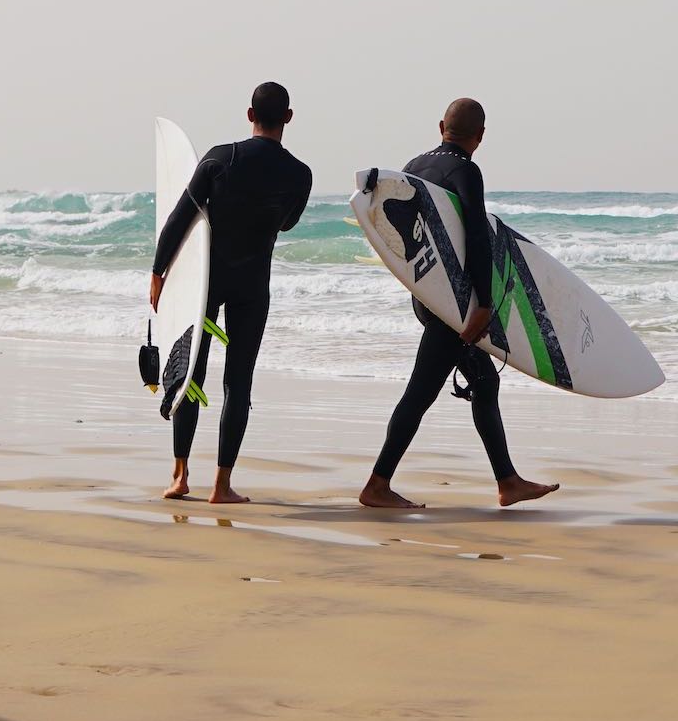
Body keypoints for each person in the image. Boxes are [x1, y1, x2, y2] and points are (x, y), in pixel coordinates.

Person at [359, 98, 559, 510]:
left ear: (440, 127)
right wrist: (484, 304)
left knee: (486, 383)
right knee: (420, 392)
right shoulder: (466, 171)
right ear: (480, 136)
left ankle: (508, 481)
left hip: (428, 298)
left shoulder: (414, 166)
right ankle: (377, 484)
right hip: (457, 306)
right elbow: (476, 236)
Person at [150, 81, 311, 503]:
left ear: (249, 114)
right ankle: (222, 485)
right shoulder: (300, 174)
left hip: (207, 283)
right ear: (288, 118)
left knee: (190, 374)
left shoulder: (221, 158)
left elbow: (180, 217)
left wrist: (158, 272)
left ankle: (180, 475)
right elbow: (287, 224)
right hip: (253, 287)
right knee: (238, 383)